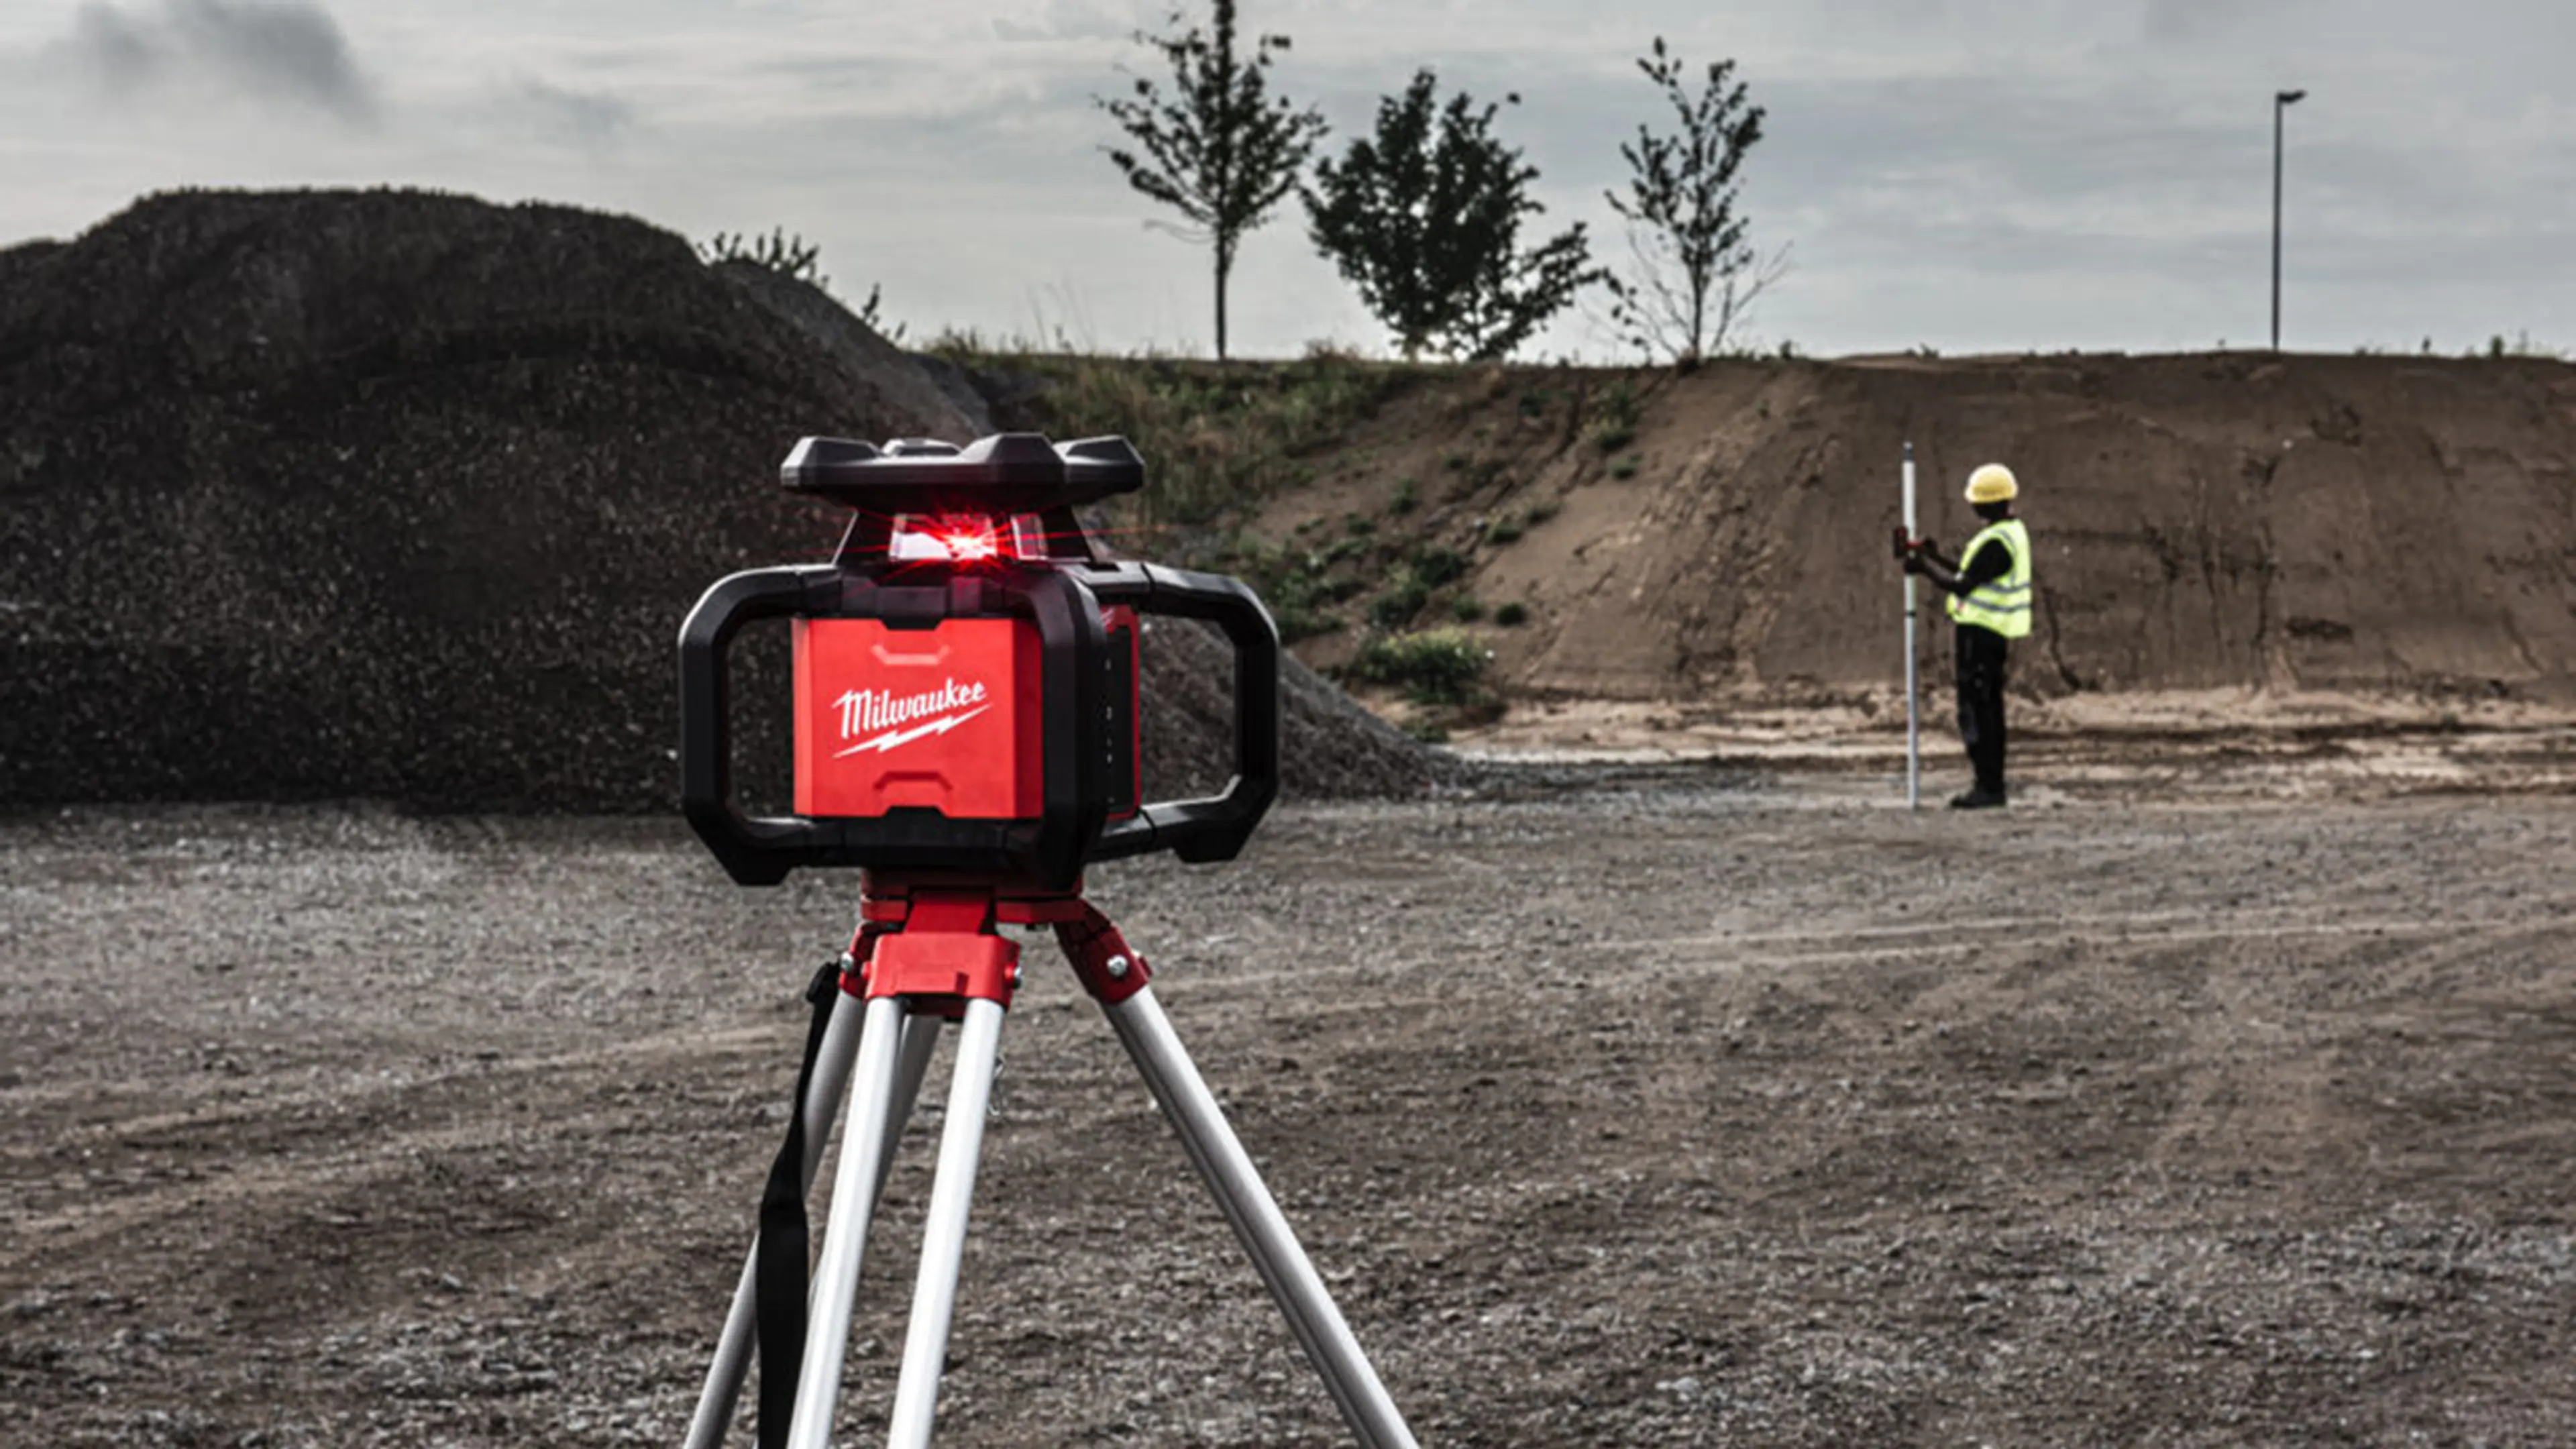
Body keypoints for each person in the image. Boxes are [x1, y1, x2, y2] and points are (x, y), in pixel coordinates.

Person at [1894, 463, 2031, 809]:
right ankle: (1987, 783)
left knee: (1980, 711)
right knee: (1984, 709)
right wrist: (1933, 555)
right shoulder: (2004, 535)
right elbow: (1970, 573)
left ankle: (1988, 786)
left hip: (1984, 635)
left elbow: (1964, 585)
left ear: (1985, 504)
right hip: (1985, 634)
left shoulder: (1998, 543)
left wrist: (1923, 569)